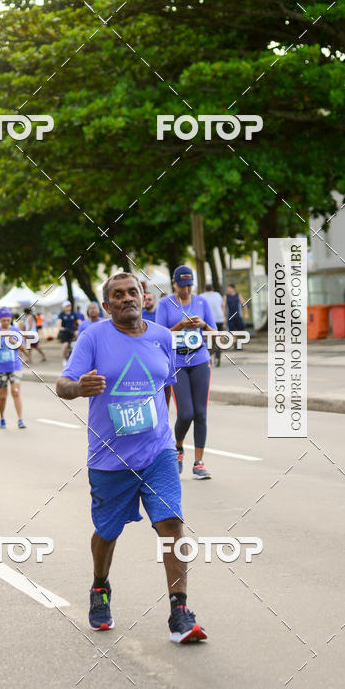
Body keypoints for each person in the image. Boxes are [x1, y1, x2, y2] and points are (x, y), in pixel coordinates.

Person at [56, 272, 207, 644]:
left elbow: (166, 386)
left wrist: (168, 434)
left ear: (144, 297)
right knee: (108, 533)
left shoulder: (161, 337)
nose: (127, 298)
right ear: (107, 306)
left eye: (133, 292)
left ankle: (180, 611)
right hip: (110, 459)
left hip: (158, 452)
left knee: (171, 524)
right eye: (118, 295)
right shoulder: (93, 337)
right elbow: (62, 384)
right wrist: (79, 388)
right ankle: (100, 586)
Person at [156, 266, 216, 480]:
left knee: (201, 413)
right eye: (182, 286)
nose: (186, 290)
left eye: (189, 285)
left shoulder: (202, 302)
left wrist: (204, 324)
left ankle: (199, 463)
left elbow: (216, 334)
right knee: (186, 414)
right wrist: (181, 324)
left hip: (200, 361)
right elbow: (160, 335)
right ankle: (178, 447)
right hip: (177, 364)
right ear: (175, 284)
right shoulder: (164, 304)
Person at [0, 307, 26, 429]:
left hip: (15, 367)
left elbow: (24, 348)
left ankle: (20, 419)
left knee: (15, 392)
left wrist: (12, 340)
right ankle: (2, 417)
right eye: (3, 320)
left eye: (8, 320)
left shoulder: (15, 330)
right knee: (3, 396)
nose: (5, 323)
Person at [203, 283, 225, 367]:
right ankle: (217, 356)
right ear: (212, 288)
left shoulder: (202, 296)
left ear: (205, 289)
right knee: (217, 338)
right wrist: (223, 316)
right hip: (219, 319)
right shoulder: (218, 295)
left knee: (208, 338)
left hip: (207, 321)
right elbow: (222, 306)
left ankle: (209, 356)